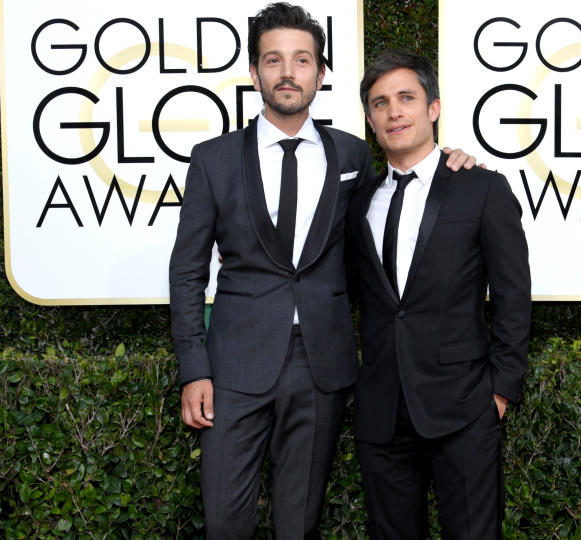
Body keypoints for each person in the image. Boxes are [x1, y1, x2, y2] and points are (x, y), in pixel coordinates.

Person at [169, 5, 475, 537]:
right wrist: (194, 368)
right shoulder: (212, 159)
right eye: (274, 60)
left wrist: (455, 163)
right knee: (224, 522)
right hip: (233, 369)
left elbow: (394, 218)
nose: (288, 72)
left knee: (299, 524)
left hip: (323, 367)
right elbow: (187, 271)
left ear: (321, 72)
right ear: (255, 71)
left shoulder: (354, 155)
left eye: (302, 60)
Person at [346, 50, 532, 539]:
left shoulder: (482, 189)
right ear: (370, 119)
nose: (394, 112)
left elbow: (514, 294)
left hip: (464, 405)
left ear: (433, 108)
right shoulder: (359, 199)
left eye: (406, 98)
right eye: (380, 103)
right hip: (382, 410)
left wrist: (499, 391)